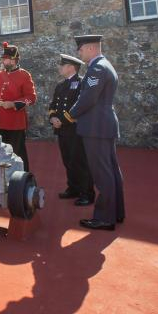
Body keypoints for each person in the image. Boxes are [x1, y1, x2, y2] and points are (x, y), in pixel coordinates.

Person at [66, 35, 125, 231]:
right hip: (102, 125)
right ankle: (116, 212)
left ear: (91, 48)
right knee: (111, 171)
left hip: (96, 127)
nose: (79, 53)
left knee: (102, 174)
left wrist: (70, 115)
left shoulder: (97, 68)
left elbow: (88, 98)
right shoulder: (105, 65)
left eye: (81, 49)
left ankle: (105, 218)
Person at [0, 42, 37, 172]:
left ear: (13, 60)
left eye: (5, 58)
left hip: (15, 123)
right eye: (3, 58)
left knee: (17, 154)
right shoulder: (0, 74)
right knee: (1, 154)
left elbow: (31, 97)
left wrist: (13, 104)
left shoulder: (24, 75)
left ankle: (23, 180)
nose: (3, 61)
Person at [49, 54, 95, 206]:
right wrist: (53, 118)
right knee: (68, 160)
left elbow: (80, 107)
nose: (59, 68)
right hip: (62, 130)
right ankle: (73, 188)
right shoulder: (60, 85)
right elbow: (53, 105)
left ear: (70, 67)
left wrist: (61, 120)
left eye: (62, 65)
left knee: (79, 161)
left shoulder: (81, 84)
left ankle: (87, 193)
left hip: (75, 130)